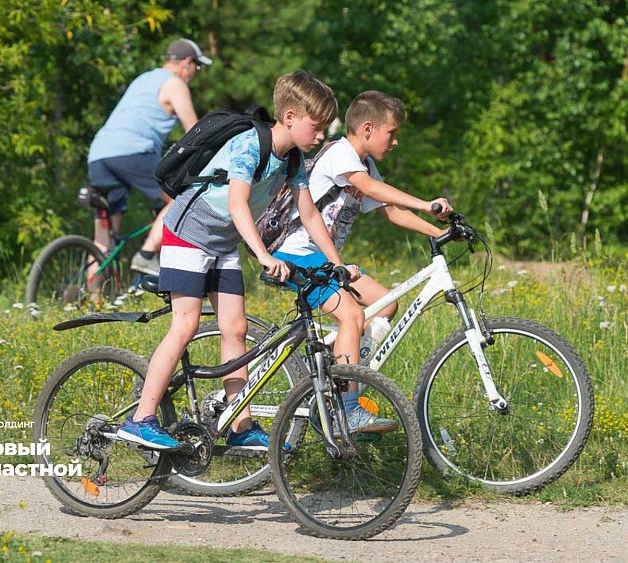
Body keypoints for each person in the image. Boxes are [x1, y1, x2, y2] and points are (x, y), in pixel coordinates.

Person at [117, 70, 354, 450]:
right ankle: (140, 418)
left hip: (223, 241)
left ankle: (238, 424)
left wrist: (338, 263)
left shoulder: (292, 160)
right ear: (290, 117)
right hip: (188, 232)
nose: (322, 134)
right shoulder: (250, 144)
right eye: (318, 125)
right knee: (186, 323)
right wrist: (262, 255)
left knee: (235, 327)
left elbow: (308, 214)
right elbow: (236, 202)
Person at [271, 90, 453, 432]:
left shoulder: (364, 164)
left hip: (324, 257)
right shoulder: (341, 154)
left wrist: (438, 232)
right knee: (352, 314)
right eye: (392, 132)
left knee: (385, 306)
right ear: (368, 128)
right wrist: (427, 203)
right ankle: (346, 408)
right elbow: (369, 188)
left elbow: (391, 211)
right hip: (296, 251)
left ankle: (335, 367)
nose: (396, 141)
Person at [86, 38, 210, 278]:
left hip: (99, 154)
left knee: (103, 235)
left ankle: (90, 297)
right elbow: (195, 132)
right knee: (181, 197)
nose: (196, 73)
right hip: (131, 152)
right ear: (186, 63)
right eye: (198, 67)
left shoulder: (143, 79)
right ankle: (146, 255)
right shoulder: (175, 83)